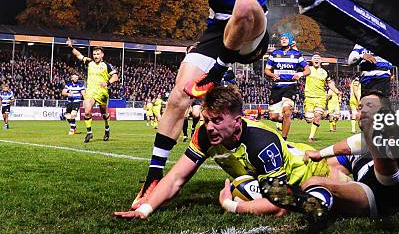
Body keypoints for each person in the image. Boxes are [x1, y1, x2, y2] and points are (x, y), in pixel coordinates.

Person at [132, 0, 322, 210]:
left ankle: (217, 70)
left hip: (253, 33)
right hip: (216, 33)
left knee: (246, 4)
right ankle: (152, 178)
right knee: (178, 97)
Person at [113, 85, 334, 219]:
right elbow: (175, 179)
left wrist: (232, 205)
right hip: (271, 179)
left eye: (217, 120)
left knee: (326, 207)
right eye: (207, 119)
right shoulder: (204, 135)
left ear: (237, 122)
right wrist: (145, 209)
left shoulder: (261, 144)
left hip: (311, 173)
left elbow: (280, 205)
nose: (209, 127)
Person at [260, 91, 399, 219]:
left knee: (386, 160)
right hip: (370, 193)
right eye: (361, 107)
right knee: (314, 181)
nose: (362, 111)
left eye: (370, 106)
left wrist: (319, 153)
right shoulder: (355, 151)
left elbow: (350, 145)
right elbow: (343, 152)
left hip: (397, 183)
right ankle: (314, 203)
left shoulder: (397, 126)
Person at [66, 38, 118, 143]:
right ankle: (89, 133)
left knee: (104, 114)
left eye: (98, 54)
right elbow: (79, 55)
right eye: (94, 54)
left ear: (102, 55)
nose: (96, 56)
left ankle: (107, 129)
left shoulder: (107, 66)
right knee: (87, 111)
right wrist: (71, 47)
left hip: (102, 93)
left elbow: (115, 77)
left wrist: (107, 83)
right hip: (90, 92)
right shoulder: (89, 62)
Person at [265, 33, 310, 140]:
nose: (283, 40)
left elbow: (308, 70)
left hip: (290, 87)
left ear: (290, 41)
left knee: (287, 111)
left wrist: (299, 74)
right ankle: (286, 120)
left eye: (286, 38)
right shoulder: (274, 54)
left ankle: (284, 139)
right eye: (282, 39)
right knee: (273, 117)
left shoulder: (297, 54)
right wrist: (272, 75)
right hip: (277, 88)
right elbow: (266, 70)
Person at [303, 54, 338, 142]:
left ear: (321, 61)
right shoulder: (308, 70)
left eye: (318, 58)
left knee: (317, 116)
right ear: (311, 60)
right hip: (309, 97)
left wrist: (336, 91)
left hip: (320, 97)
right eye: (314, 58)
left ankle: (311, 137)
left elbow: (329, 83)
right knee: (309, 119)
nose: (316, 59)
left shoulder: (325, 72)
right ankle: (308, 117)